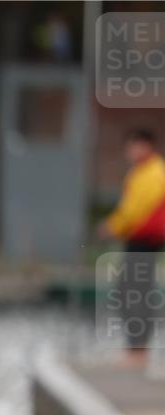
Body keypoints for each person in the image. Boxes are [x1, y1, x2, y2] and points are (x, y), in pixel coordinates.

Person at [98, 128, 165, 367]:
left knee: (134, 292)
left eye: (135, 146)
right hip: (139, 241)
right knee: (133, 291)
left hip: (144, 242)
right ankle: (136, 347)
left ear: (147, 146)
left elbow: (135, 210)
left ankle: (138, 350)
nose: (131, 151)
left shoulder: (152, 173)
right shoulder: (142, 172)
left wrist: (111, 226)